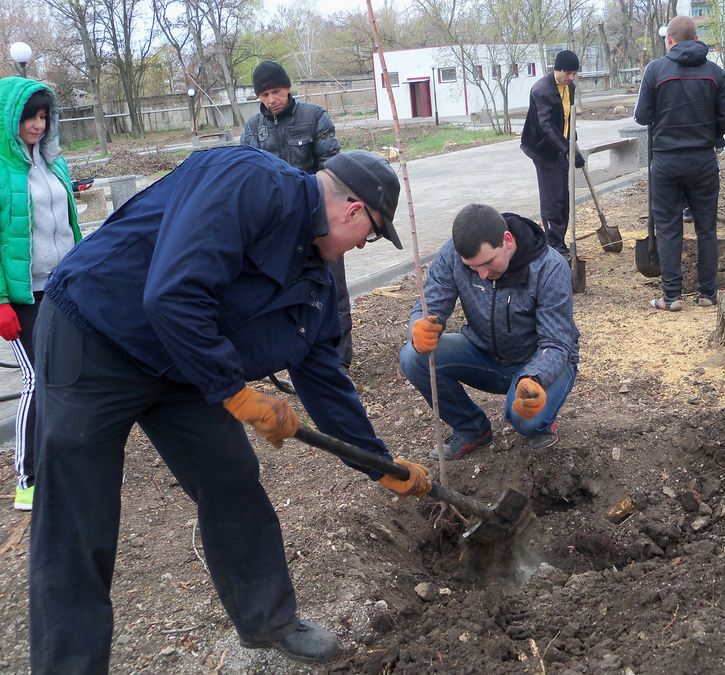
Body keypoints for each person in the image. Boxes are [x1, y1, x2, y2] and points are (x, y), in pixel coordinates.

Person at [28, 146, 431, 672]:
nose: (363, 246)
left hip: (179, 364)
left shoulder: (314, 277)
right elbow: (173, 293)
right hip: (95, 333)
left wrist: (379, 465)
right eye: (372, 235)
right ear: (354, 210)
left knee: (231, 478)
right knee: (80, 515)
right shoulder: (249, 182)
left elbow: (324, 379)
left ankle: (270, 620)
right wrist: (235, 393)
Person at [400, 204, 579, 458]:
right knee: (413, 357)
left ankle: (542, 420)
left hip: (538, 361)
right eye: (472, 267)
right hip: (484, 354)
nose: (482, 275)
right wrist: (420, 324)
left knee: (526, 420)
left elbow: (556, 342)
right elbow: (432, 301)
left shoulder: (550, 268)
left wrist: (537, 377)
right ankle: (473, 430)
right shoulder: (453, 253)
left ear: (507, 240)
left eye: (487, 263)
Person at [240, 60, 354, 367]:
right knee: (287, 295)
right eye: (263, 96)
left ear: (288, 88)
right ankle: (298, 355)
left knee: (333, 289)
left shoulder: (315, 117)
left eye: (275, 91)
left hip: (319, 221)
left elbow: (332, 170)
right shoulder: (253, 129)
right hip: (277, 230)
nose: (271, 100)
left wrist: (316, 213)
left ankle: (340, 359)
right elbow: (248, 178)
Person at [0, 78, 80, 512]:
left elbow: (71, 225)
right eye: (30, 116)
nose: (37, 124)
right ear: (11, 119)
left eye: (44, 115)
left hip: (63, 286)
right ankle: (28, 478)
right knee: (36, 379)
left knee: (68, 371)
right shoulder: (1, 170)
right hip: (22, 295)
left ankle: (62, 457)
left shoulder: (55, 164)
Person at [634, 16, 725, 311]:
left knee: (668, 228)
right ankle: (707, 293)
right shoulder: (714, 73)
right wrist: (710, 134)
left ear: (670, 40)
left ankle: (672, 296)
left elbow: (641, 116)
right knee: (706, 229)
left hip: (666, 161)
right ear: (696, 38)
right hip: (703, 160)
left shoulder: (655, 71)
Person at [520, 50, 584, 260]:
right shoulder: (542, 90)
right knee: (552, 196)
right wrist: (567, 149)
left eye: (574, 74)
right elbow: (546, 126)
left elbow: (569, 119)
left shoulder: (569, 88)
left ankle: (560, 239)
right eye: (569, 73)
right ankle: (554, 243)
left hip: (560, 146)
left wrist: (574, 147)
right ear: (559, 70)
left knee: (563, 196)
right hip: (543, 149)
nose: (572, 77)